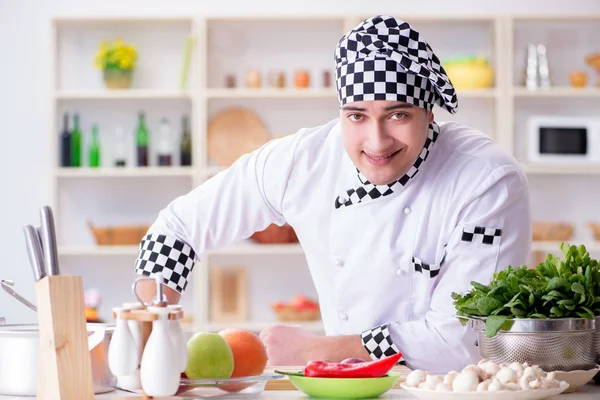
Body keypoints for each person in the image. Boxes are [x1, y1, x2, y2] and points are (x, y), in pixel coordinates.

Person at [133, 15, 531, 373]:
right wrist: (154, 325)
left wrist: (315, 350)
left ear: (430, 113)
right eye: (357, 116)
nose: (376, 141)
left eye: (398, 115)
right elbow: (179, 228)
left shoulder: (485, 180)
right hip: (343, 387)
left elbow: (463, 341)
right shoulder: (301, 160)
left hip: (451, 390)